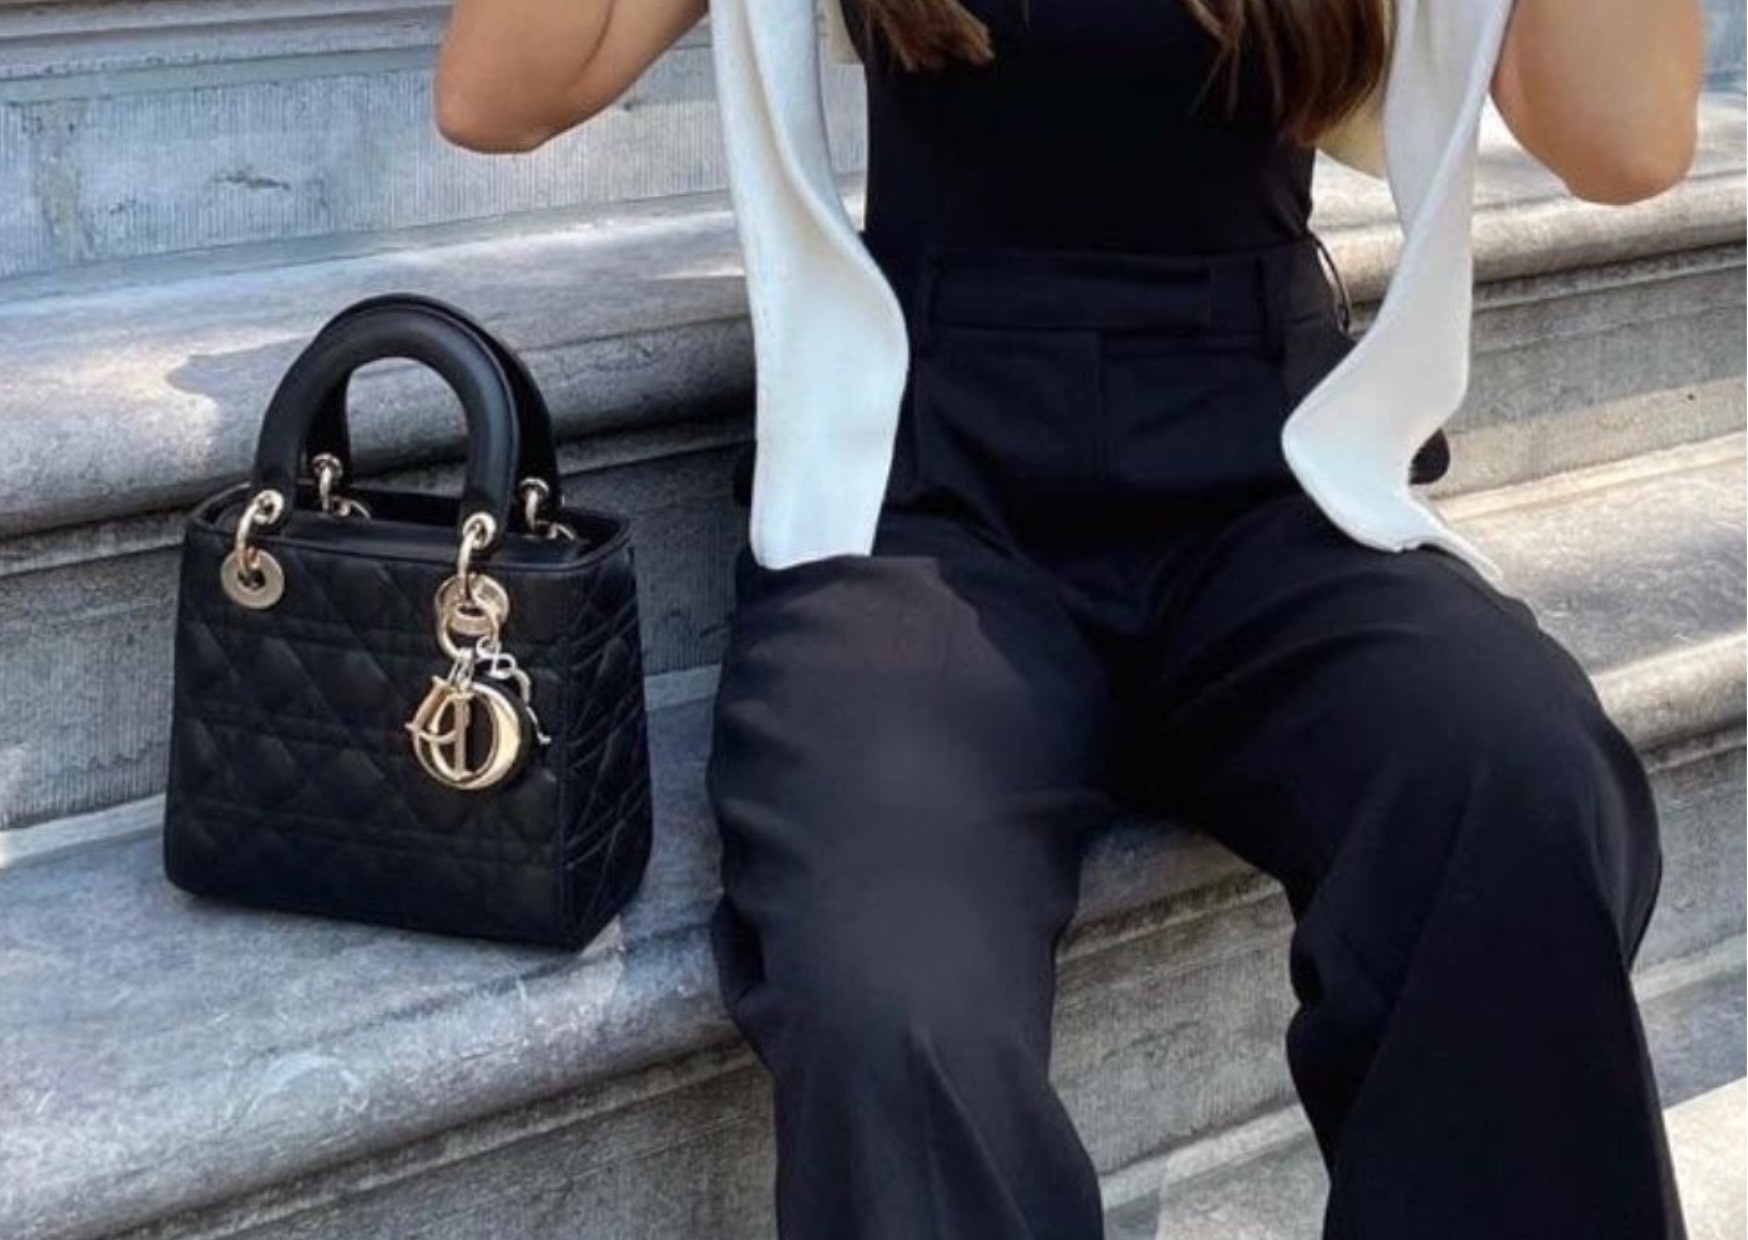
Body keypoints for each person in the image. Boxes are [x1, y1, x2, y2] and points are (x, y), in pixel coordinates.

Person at [435, 0, 1706, 1235]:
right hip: (930, 496)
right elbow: (499, 93)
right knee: (887, 971)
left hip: (1269, 482)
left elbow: (1624, 140)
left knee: (1513, 776)